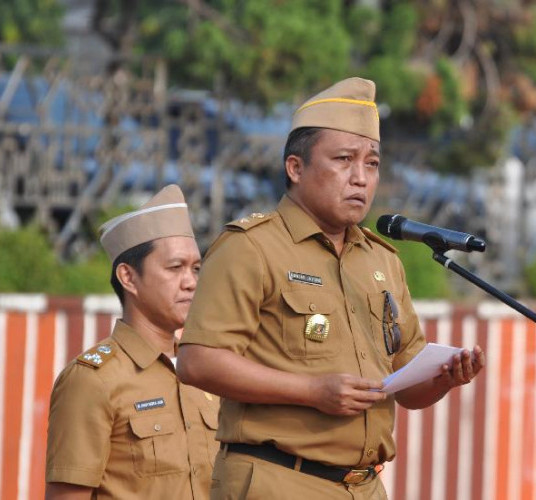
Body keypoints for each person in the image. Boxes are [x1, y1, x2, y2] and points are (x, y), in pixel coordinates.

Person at [176, 78, 485, 500]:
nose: (360, 178)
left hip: (366, 485)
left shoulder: (382, 260)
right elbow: (197, 362)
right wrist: (312, 391)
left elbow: (405, 383)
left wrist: (443, 378)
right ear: (295, 168)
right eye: (343, 160)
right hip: (279, 480)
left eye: (372, 164)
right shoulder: (251, 247)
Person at [45, 185, 219, 499]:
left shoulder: (205, 372)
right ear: (128, 277)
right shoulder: (93, 380)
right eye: (175, 267)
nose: (192, 282)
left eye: (196, 268)